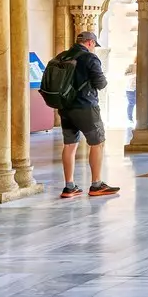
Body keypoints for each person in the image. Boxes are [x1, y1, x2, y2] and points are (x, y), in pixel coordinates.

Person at [41, 30, 119, 198]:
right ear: (90, 43)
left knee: (69, 145)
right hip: (86, 107)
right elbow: (101, 83)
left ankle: (69, 186)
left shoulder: (61, 56)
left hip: (65, 107)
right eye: (93, 45)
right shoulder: (89, 58)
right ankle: (96, 184)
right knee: (97, 143)